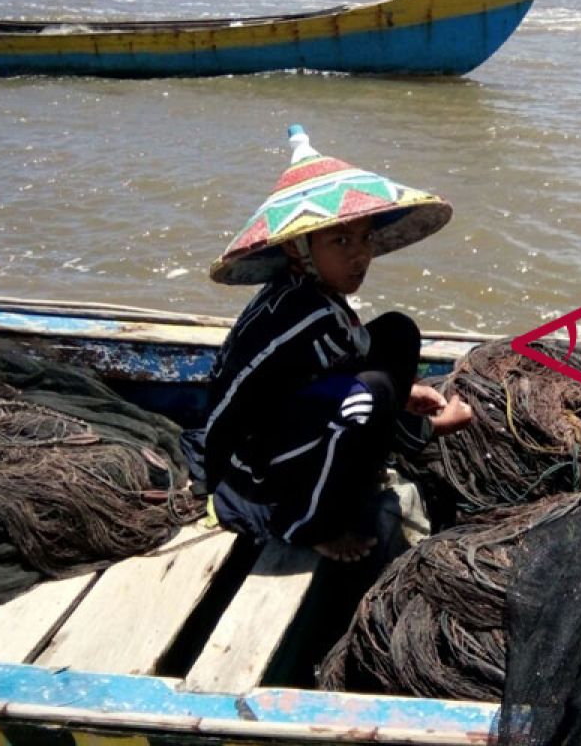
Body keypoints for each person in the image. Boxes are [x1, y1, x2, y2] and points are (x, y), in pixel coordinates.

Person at [196, 124, 473, 563]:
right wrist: (430, 426)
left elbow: (352, 359)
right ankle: (308, 525)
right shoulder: (307, 316)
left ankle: (378, 452)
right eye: (339, 241)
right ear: (297, 250)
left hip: (283, 422)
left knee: (397, 331)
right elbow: (231, 405)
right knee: (372, 394)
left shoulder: (310, 295)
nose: (359, 255)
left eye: (363, 238)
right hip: (250, 472)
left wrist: (407, 394)